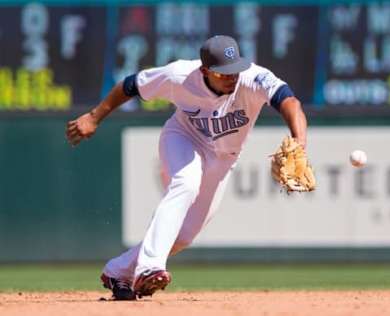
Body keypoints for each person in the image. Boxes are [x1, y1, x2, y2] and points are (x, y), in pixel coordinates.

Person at [65, 35, 308, 300]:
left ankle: (118, 271)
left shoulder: (253, 77)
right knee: (187, 182)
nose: (232, 77)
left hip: (225, 158)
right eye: (223, 73)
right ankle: (150, 267)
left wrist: (300, 144)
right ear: (205, 70)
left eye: (234, 69)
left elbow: (290, 103)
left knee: (183, 236)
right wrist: (93, 116)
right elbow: (130, 85)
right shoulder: (178, 75)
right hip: (184, 138)